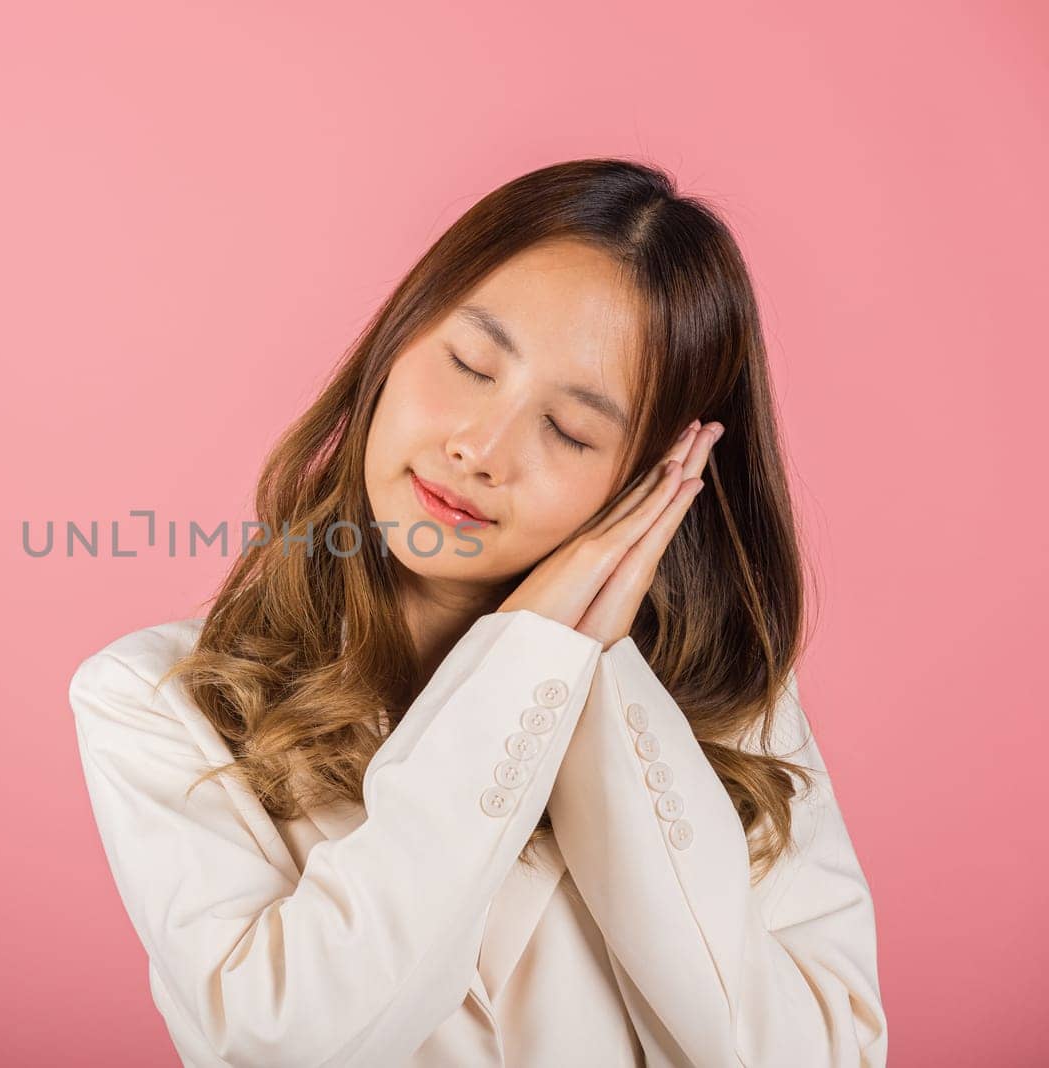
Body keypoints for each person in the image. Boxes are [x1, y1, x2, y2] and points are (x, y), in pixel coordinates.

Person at [67, 157, 888, 1067]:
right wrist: (521, 662)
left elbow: (824, 1055)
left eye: (572, 431)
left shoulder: (736, 710)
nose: (480, 449)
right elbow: (291, 1042)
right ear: (396, 340)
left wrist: (582, 662)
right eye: (469, 364)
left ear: (654, 479)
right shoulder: (155, 700)